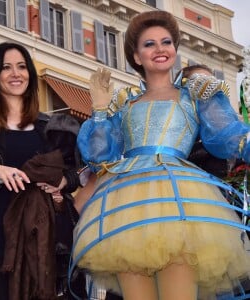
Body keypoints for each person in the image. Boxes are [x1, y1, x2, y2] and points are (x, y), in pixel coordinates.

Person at [71, 10, 250, 300]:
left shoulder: (196, 92)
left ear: (175, 50)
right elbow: (99, 155)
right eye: (149, 44)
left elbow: (227, 135)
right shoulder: (123, 102)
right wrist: (101, 111)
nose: (160, 49)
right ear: (136, 56)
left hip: (180, 200)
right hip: (126, 202)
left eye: (166, 42)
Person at [0, 42, 85, 299]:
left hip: (47, 237)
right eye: (6, 67)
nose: (16, 73)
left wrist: (64, 182)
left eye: (22, 67)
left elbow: (73, 171)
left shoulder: (49, 125)